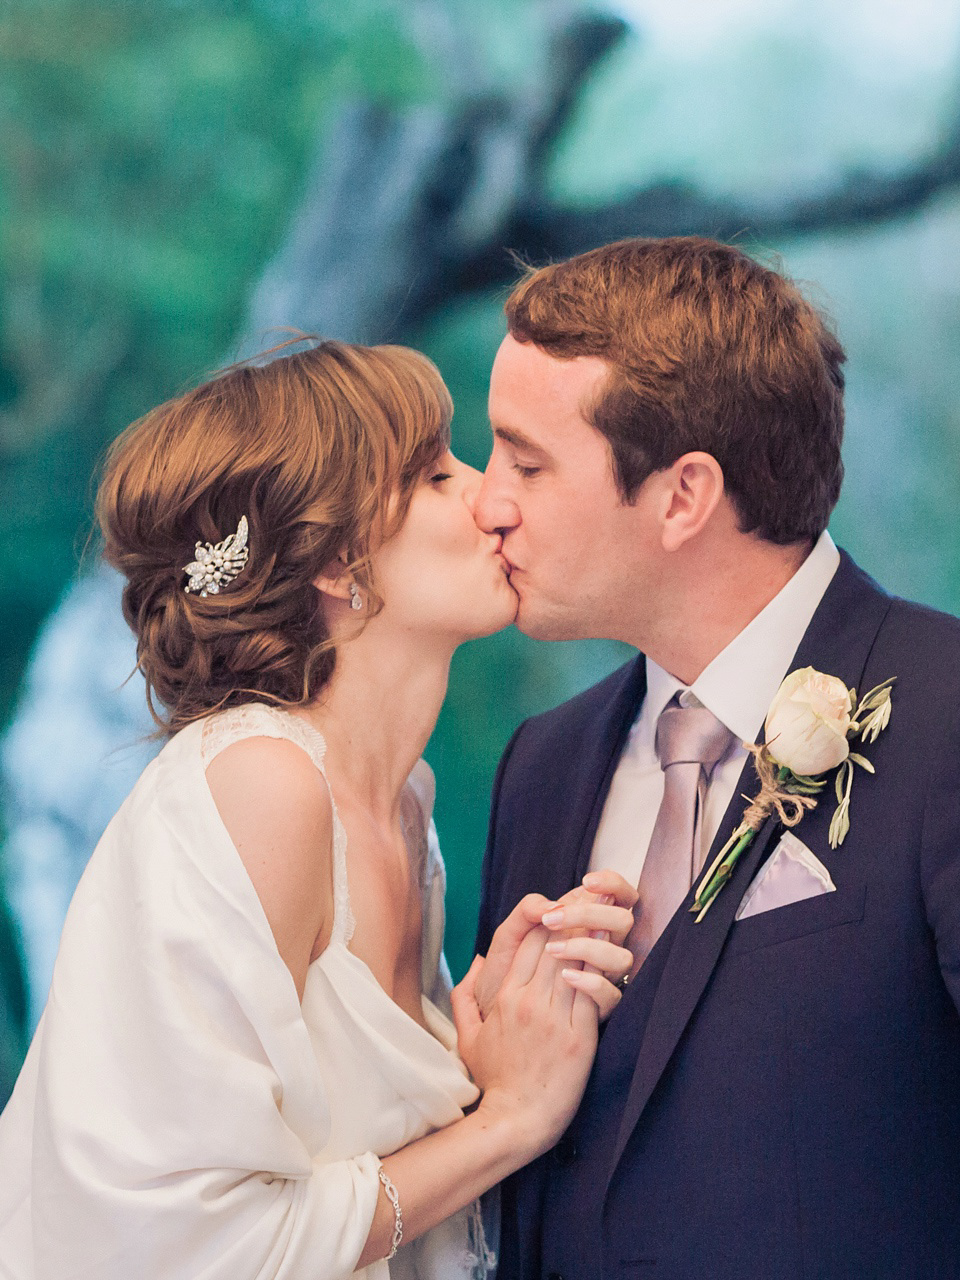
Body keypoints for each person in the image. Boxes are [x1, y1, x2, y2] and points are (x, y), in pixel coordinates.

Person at [0, 339, 636, 1280]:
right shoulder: (265, 784)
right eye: (434, 476)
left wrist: (469, 1045)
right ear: (340, 564)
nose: (491, 498)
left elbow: (320, 1137)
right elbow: (194, 1241)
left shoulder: (402, 806)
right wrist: (509, 1122)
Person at [472, 237, 960, 1279]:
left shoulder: (947, 709)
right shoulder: (541, 766)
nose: (488, 502)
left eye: (526, 461)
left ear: (684, 495)